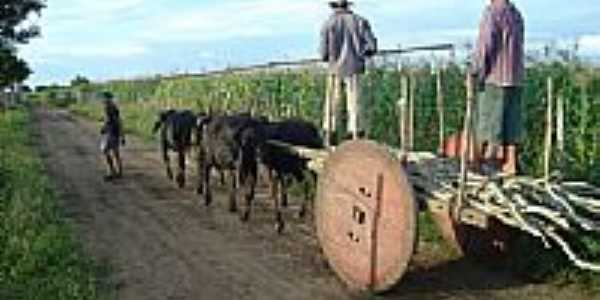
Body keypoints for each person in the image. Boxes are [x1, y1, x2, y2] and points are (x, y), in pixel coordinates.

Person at [472, 0, 524, 175]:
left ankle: (484, 163)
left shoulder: (492, 13)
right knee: (511, 123)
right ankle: (511, 164)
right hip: (515, 78)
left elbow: (486, 45)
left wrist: (476, 71)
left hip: (494, 78)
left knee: (489, 124)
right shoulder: (515, 15)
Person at [320, 0, 377, 146]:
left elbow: (323, 54)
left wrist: (333, 56)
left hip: (335, 69)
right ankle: (355, 135)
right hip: (355, 67)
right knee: (355, 104)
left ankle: (329, 137)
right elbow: (371, 47)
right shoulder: (360, 22)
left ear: (333, 6)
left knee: (332, 105)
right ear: (348, 5)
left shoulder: (328, 24)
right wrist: (360, 53)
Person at [100, 92, 125, 181]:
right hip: (115, 132)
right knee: (115, 153)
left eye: (104, 98)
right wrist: (122, 135)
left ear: (107, 99)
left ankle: (111, 172)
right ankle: (119, 171)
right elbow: (119, 121)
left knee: (105, 150)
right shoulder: (114, 107)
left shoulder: (108, 108)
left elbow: (109, 120)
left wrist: (103, 127)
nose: (102, 100)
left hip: (110, 132)